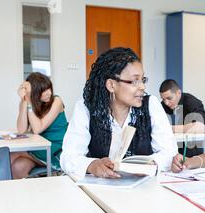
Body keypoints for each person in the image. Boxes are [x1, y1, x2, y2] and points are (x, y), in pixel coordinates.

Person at [60, 47, 177, 178]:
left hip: (143, 189)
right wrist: (91, 165)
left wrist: (152, 163)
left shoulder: (150, 105)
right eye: (134, 81)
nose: (142, 87)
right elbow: (68, 157)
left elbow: (170, 152)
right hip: (98, 190)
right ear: (111, 85)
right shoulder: (86, 108)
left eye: (143, 80)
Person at [11, 72, 68, 179]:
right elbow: (21, 129)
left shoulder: (57, 101)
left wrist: (29, 102)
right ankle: (27, 194)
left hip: (55, 150)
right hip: (38, 150)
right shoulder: (30, 103)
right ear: (35, 93)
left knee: (11, 156)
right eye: (43, 91)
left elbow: (37, 129)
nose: (49, 93)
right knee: (18, 167)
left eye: (49, 88)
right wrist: (24, 100)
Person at [159, 79, 205, 157]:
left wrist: (169, 128)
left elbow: (200, 127)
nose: (166, 103)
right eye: (163, 99)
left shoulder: (192, 102)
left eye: (169, 98)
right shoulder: (164, 104)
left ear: (178, 93)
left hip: (192, 152)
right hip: (173, 150)